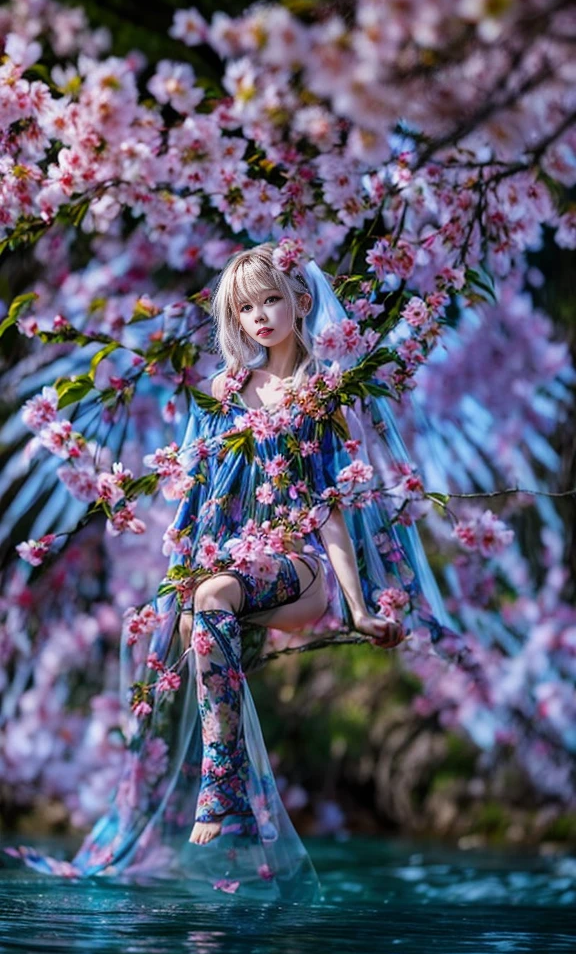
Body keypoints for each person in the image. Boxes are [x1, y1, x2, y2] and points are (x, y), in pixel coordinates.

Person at [3, 242, 462, 902]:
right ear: (236, 320)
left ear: (301, 301)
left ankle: (223, 787)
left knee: (213, 596)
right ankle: (226, 797)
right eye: (247, 307)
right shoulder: (228, 393)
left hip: (299, 570)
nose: (262, 316)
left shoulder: (321, 393)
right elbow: (196, 494)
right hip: (237, 569)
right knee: (194, 618)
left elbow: (330, 510)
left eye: (272, 298)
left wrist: (360, 609)